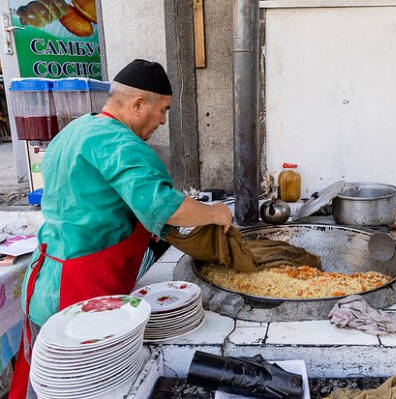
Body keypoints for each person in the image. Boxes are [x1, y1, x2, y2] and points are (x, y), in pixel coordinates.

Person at [9, 59, 232, 399]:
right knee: (84, 388)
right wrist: (215, 213)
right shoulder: (121, 144)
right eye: (163, 110)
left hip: (43, 282)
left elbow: (95, 197)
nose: (162, 120)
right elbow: (166, 207)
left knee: (44, 380)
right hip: (81, 291)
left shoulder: (76, 130)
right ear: (138, 104)